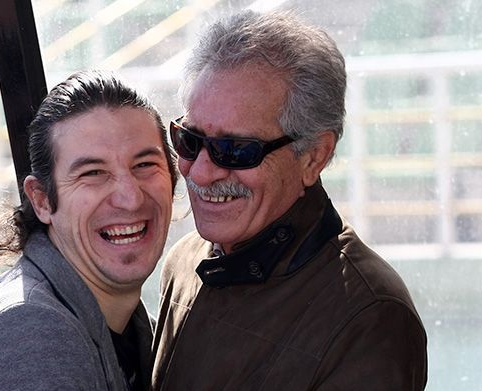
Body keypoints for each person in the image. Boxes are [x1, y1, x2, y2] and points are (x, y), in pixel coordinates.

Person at [152, 10, 427, 390]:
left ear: (314, 156)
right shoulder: (185, 262)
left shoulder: (369, 316)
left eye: (235, 149)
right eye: (190, 140)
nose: (199, 172)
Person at [0, 70, 178, 390]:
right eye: (93, 173)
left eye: (144, 165)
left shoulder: (133, 328)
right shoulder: (27, 332)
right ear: (42, 200)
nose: (130, 197)